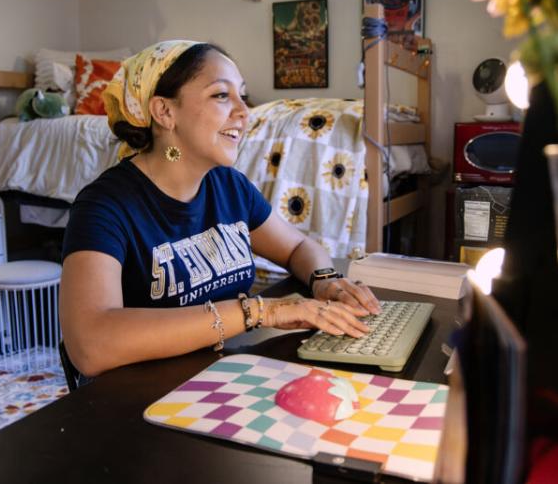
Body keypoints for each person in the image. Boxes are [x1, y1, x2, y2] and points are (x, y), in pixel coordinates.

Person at [59, 40, 381, 377]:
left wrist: (324, 280)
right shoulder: (104, 206)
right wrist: (262, 311)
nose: (245, 113)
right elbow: (89, 344)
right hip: (141, 403)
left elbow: (299, 246)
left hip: (219, 379)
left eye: (243, 96)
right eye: (221, 95)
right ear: (164, 112)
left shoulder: (229, 185)